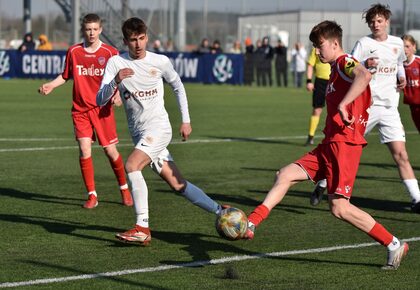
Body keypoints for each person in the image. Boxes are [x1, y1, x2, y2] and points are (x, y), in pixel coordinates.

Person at [242, 20, 409, 270]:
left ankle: (393, 244)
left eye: (319, 46)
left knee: (340, 208)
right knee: (285, 174)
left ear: (334, 43)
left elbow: (363, 75)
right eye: (314, 46)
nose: (317, 51)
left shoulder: (344, 62)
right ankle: (252, 223)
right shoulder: (333, 69)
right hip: (330, 144)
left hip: (345, 144)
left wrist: (344, 105)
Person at [96, 17, 224, 245]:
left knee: (132, 165)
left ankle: (142, 227)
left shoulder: (160, 61)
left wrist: (185, 120)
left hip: (159, 128)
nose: (138, 44)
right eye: (133, 40)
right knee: (178, 184)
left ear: (147, 37)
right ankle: (221, 211)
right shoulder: (116, 63)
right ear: (125, 41)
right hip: (140, 134)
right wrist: (115, 81)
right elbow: (99, 99)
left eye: (141, 39)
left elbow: (177, 85)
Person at [312, 4, 420, 212]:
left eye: (379, 21)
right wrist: (364, 61)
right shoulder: (363, 43)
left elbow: (399, 64)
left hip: (389, 108)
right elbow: (349, 63)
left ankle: (417, 199)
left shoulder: (398, 43)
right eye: (372, 21)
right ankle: (323, 183)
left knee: (401, 155)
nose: (375, 24)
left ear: (387, 22)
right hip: (366, 109)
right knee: (342, 153)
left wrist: (401, 77)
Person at [38, 13, 132, 209]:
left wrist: (118, 95)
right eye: (88, 29)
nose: (91, 33)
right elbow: (65, 76)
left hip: (102, 109)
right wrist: (51, 85)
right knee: (84, 149)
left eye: (95, 29)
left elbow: (122, 78)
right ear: (83, 30)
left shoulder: (110, 53)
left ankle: (124, 189)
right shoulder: (74, 52)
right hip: (80, 110)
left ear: (100, 30)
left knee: (110, 151)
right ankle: (92, 195)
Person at [304, 47, 331, 147]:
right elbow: (310, 65)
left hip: (333, 81)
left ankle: (333, 137)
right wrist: (309, 81)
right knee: (317, 110)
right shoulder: (315, 49)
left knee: (335, 111)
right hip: (320, 82)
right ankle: (310, 137)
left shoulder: (333, 46)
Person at [402, 34, 420, 133]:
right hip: (413, 107)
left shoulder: (418, 62)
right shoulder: (399, 66)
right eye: (402, 47)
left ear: (414, 47)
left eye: (407, 46)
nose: (405, 49)